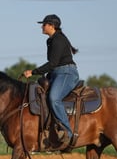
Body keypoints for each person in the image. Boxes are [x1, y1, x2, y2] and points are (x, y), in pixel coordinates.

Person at [24, 14, 80, 145]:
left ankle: (68, 133)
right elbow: (53, 64)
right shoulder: (50, 40)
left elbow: (53, 63)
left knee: (54, 98)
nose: (42, 27)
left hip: (67, 73)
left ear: (52, 26)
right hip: (57, 73)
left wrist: (33, 72)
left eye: (44, 24)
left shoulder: (58, 40)